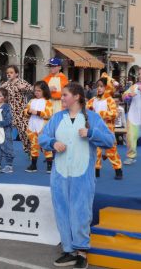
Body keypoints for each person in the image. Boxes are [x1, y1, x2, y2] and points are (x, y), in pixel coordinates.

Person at [39, 82, 114, 269]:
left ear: (77, 97)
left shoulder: (93, 119)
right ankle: (68, 250)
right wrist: (53, 142)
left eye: (65, 95)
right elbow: (42, 137)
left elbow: (109, 140)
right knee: (62, 211)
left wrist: (91, 133)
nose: (62, 98)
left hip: (82, 176)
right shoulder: (57, 118)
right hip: (60, 175)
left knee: (81, 211)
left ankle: (81, 252)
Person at [87, 77, 123, 180]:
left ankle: (118, 169)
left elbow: (114, 114)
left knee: (111, 151)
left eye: (101, 86)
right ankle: (96, 170)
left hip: (107, 130)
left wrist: (99, 114)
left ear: (107, 88)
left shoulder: (110, 100)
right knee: (96, 150)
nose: (99, 88)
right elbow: (86, 110)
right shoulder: (92, 100)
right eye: (98, 86)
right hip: (95, 130)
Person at [2, 65, 33, 154]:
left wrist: (24, 88)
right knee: (9, 132)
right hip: (9, 111)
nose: (9, 74)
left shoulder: (21, 81)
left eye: (11, 73)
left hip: (21, 111)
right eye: (7, 73)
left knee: (24, 131)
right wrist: (1, 88)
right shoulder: (6, 84)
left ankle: (31, 148)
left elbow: (32, 89)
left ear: (16, 74)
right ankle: (25, 150)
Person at [24, 81, 53, 173]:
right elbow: (25, 112)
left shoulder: (48, 102)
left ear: (44, 91)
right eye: (35, 91)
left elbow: (48, 114)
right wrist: (28, 112)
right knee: (33, 146)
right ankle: (33, 165)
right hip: (32, 127)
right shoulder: (31, 101)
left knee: (46, 146)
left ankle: (49, 165)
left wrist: (37, 112)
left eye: (39, 91)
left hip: (43, 128)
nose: (36, 92)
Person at [122, 66, 141, 165]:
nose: (140, 76)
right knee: (130, 137)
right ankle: (131, 156)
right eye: (139, 74)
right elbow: (124, 97)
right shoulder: (133, 87)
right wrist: (129, 95)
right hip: (134, 116)